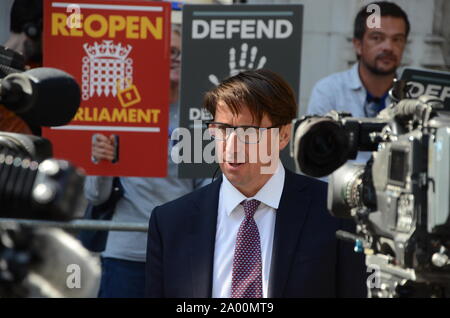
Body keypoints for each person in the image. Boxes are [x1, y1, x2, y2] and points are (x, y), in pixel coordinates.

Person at [145, 69, 367, 298]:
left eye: (248, 132)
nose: (231, 146)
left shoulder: (335, 215)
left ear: (283, 135)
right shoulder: (170, 223)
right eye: (222, 130)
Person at [84, 25, 207, 298]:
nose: (176, 58)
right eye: (169, 51)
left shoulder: (197, 115)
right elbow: (95, 194)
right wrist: (100, 161)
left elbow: (204, 193)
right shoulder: (122, 107)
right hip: (126, 254)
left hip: (178, 256)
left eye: (183, 53)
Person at [307, 1, 409, 163]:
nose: (389, 47)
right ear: (358, 45)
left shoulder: (415, 94)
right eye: (377, 38)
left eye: (397, 39)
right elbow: (315, 163)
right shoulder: (328, 92)